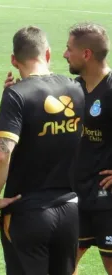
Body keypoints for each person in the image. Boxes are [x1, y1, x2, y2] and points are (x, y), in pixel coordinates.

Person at [0, 26, 84, 274]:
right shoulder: (76, 89)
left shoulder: (17, 95)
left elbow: (0, 154)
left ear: (13, 60)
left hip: (29, 213)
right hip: (71, 209)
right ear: (48, 54)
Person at [62, 23, 112, 275]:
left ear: (86, 54)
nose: (64, 54)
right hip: (76, 194)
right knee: (65, 263)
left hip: (108, 199)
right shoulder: (72, 89)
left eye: (69, 48)